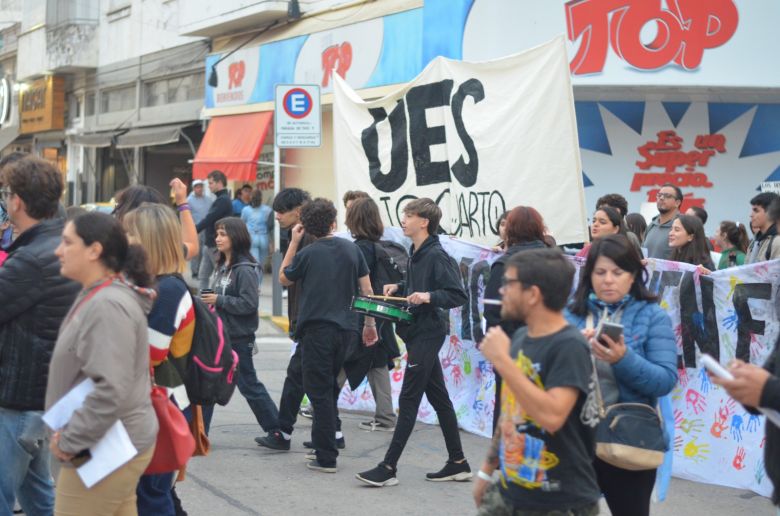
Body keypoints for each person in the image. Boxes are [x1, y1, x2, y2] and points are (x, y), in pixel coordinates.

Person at [47, 212, 158, 515]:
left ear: (94, 251)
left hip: (103, 446)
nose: (59, 251)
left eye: (67, 243)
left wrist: (71, 441)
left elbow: (110, 389)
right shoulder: (99, 295)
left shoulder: (107, 304)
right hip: (108, 441)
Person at [474, 249, 600, 516]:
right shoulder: (520, 338)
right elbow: (510, 412)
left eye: (509, 283)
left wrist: (503, 361)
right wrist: (486, 473)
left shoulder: (569, 345)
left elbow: (553, 416)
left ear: (532, 294)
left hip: (560, 502)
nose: (501, 291)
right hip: (511, 493)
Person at [356, 198, 470, 487]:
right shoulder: (416, 251)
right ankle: (458, 462)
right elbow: (420, 287)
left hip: (429, 331)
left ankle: (388, 467)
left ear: (424, 222)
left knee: (408, 398)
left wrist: (428, 297)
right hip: (417, 330)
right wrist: (403, 288)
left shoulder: (437, 255)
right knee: (438, 397)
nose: (403, 219)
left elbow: (456, 294)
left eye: (409, 214)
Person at [565, 234, 677, 516]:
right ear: (588, 275)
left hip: (630, 438)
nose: (608, 280)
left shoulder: (653, 316)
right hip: (574, 440)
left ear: (634, 275)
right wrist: (571, 349)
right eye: (600, 272)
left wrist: (622, 359)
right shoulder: (571, 315)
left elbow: (664, 379)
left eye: (618, 272)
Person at [0, 157, 80, 516]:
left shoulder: (31, 259)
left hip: (19, 397)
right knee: (39, 495)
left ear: (17, 200)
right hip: (45, 396)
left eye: (6, 192)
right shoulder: (60, 244)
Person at [276, 198, 376, 473]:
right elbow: (367, 291)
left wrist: (294, 243)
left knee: (318, 391)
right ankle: (329, 441)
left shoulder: (308, 254)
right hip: (348, 330)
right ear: (334, 222)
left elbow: (284, 277)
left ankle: (326, 456)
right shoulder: (352, 250)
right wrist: (370, 324)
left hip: (317, 331)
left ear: (306, 227)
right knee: (329, 388)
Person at [123, 203, 196, 516]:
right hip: (155, 403)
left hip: (161, 405)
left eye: (129, 233)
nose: (123, 240)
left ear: (147, 239)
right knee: (154, 492)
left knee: (151, 496)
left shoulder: (167, 290)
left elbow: (150, 355)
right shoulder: (158, 284)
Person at [201, 217, 280, 441]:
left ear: (236, 237)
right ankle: (200, 434)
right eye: (217, 234)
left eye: (223, 234)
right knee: (209, 384)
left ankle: (276, 430)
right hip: (219, 335)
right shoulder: (222, 265)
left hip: (238, 337)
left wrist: (219, 300)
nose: (218, 238)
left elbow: (248, 305)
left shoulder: (244, 269)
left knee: (249, 385)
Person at [255, 188, 317, 451]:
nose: (277, 216)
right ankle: (332, 433)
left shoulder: (307, 240)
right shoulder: (308, 237)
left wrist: (292, 244)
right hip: (312, 321)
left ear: (299, 211)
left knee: (298, 379)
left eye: (282, 211)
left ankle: (283, 433)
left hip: (311, 321)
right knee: (311, 380)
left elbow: (285, 277)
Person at [483, 206, 548, 432]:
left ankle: (502, 461)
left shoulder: (506, 264)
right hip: (548, 346)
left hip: (513, 348)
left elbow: (492, 310)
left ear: (510, 229)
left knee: (508, 409)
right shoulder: (554, 259)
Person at [343, 197, 400, 432]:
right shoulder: (379, 247)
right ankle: (385, 416)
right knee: (376, 363)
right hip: (380, 313)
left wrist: (367, 320)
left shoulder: (358, 250)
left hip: (363, 315)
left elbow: (358, 286)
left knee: (344, 360)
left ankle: (319, 407)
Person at [113, 181, 199, 262]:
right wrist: (182, 203)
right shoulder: (166, 249)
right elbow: (192, 246)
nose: (117, 211)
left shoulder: (115, 248)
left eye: (118, 206)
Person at [195, 171, 233, 291]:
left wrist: (194, 230)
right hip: (210, 244)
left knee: (219, 275)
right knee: (203, 276)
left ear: (219, 183)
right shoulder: (221, 199)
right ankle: (204, 305)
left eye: (211, 183)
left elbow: (209, 219)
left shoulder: (223, 200)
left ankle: (214, 303)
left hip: (216, 244)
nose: (209, 186)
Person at [241, 189, 272, 288]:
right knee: (261, 265)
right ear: (261, 198)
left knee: (254, 264)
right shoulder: (268, 209)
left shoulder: (246, 210)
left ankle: (254, 286)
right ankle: (258, 285)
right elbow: (270, 226)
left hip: (251, 238)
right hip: (264, 237)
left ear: (251, 198)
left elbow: (242, 223)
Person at [643, 183, 682, 259]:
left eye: (667, 196)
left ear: (677, 203)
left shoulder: (683, 226)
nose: (661, 198)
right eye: (659, 195)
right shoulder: (651, 226)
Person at [188, 179, 214, 279]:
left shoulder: (208, 199)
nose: (199, 189)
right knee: (196, 251)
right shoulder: (189, 200)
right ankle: (194, 271)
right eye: (197, 187)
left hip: (207, 228)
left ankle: (201, 271)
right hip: (195, 229)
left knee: (204, 250)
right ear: (194, 188)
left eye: (201, 186)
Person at [746, 192, 780, 264]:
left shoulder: (777, 242)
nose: (751, 215)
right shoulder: (754, 241)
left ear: (770, 212)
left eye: (756, 210)